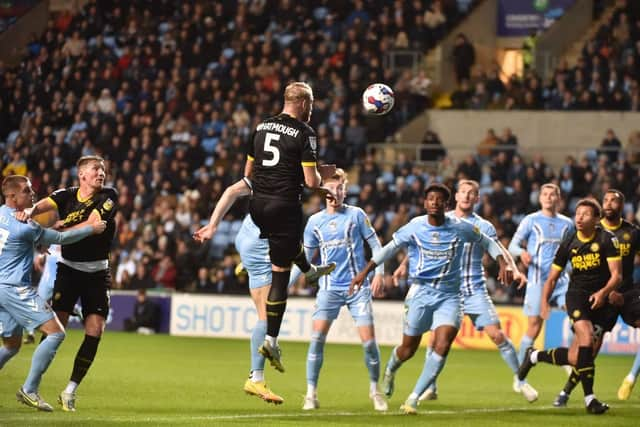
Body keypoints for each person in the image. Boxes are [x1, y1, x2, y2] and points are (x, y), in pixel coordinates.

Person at [350, 183, 513, 414]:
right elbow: (389, 249)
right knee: (408, 349)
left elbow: (487, 241)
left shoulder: (460, 226)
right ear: (425, 203)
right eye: (430, 199)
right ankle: (391, 370)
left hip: (451, 296)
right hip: (420, 293)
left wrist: (503, 261)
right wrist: (365, 272)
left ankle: (413, 398)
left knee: (443, 343)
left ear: (446, 204)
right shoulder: (415, 226)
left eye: (439, 199)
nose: (435, 202)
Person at [404, 180, 536, 402]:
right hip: (445, 291)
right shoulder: (441, 221)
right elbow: (421, 244)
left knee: (498, 335)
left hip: (474, 288)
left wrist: (514, 269)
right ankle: (431, 387)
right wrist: (401, 265)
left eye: (471, 193)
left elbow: (499, 250)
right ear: (455, 196)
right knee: (436, 339)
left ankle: (520, 380)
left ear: (477, 199)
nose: (466, 196)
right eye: (463, 192)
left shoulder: (484, 226)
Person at [245, 81, 336, 373]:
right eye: (311, 105)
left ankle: (309, 272)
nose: (312, 111)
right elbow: (310, 183)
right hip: (284, 206)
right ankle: (271, 340)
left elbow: (249, 173)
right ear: (304, 103)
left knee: (285, 245)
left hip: (257, 206)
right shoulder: (304, 133)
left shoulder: (260, 128)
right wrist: (325, 182)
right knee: (280, 275)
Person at [17, 155, 118, 411]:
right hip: (69, 271)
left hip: (97, 274)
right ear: (82, 174)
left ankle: (70, 390)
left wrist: (56, 231)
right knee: (54, 330)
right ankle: (32, 386)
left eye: (103, 169)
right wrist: (29, 212)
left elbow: (92, 224)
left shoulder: (109, 196)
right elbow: (44, 205)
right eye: (96, 169)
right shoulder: (67, 194)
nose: (101, 173)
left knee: (95, 331)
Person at [0, 175, 106, 411]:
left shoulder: (1, 215)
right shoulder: (26, 227)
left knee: (11, 346)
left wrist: (39, 229)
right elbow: (60, 238)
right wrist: (91, 228)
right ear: (12, 196)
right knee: (56, 333)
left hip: (0, 288)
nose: (32, 194)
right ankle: (29, 390)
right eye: (27, 191)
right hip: (15, 288)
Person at [194, 177, 298, 405]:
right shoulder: (291, 173)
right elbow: (311, 177)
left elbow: (231, 190)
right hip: (260, 243)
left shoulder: (266, 169)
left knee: (279, 285)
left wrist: (213, 225)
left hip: (247, 233)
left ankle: (248, 265)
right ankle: (256, 378)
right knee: (266, 314)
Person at [517, 198, 621, 415]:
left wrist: (603, 293)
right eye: (577, 213)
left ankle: (535, 356)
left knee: (579, 357)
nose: (579, 218)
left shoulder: (607, 240)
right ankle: (590, 399)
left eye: (585, 214)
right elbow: (552, 279)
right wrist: (544, 302)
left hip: (601, 299)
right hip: (576, 296)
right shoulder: (569, 242)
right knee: (586, 336)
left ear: (596, 219)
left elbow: (617, 276)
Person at [301, 168, 388, 411]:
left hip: (357, 288)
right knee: (317, 338)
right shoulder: (314, 222)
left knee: (369, 342)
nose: (335, 192)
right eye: (330, 188)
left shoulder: (356, 215)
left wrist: (379, 273)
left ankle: (374, 389)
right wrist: (283, 286)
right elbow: (305, 259)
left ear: (345, 191)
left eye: (339, 188)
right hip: (329, 288)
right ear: (323, 191)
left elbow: (375, 244)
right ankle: (311, 394)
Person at [553, 190, 640, 406]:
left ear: (622, 205)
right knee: (588, 349)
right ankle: (565, 392)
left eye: (614, 200)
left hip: (627, 294)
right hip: (600, 299)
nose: (609, 203)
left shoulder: (633, 232)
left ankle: (631, 376)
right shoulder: (590, 231)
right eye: (606, 200)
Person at [508, 184, 574, 365]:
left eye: (552, 195)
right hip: (538, 280)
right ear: (540, 198)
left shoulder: (567, 224)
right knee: (534, 326)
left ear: (558, 199)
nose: (548, 197)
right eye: (545, 194)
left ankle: (569, 359)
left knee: (576, 316)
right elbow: (512, 246)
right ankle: (520, 374)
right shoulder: (531, 220)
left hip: (561, 280)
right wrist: (521, 253)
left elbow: (572, 251)